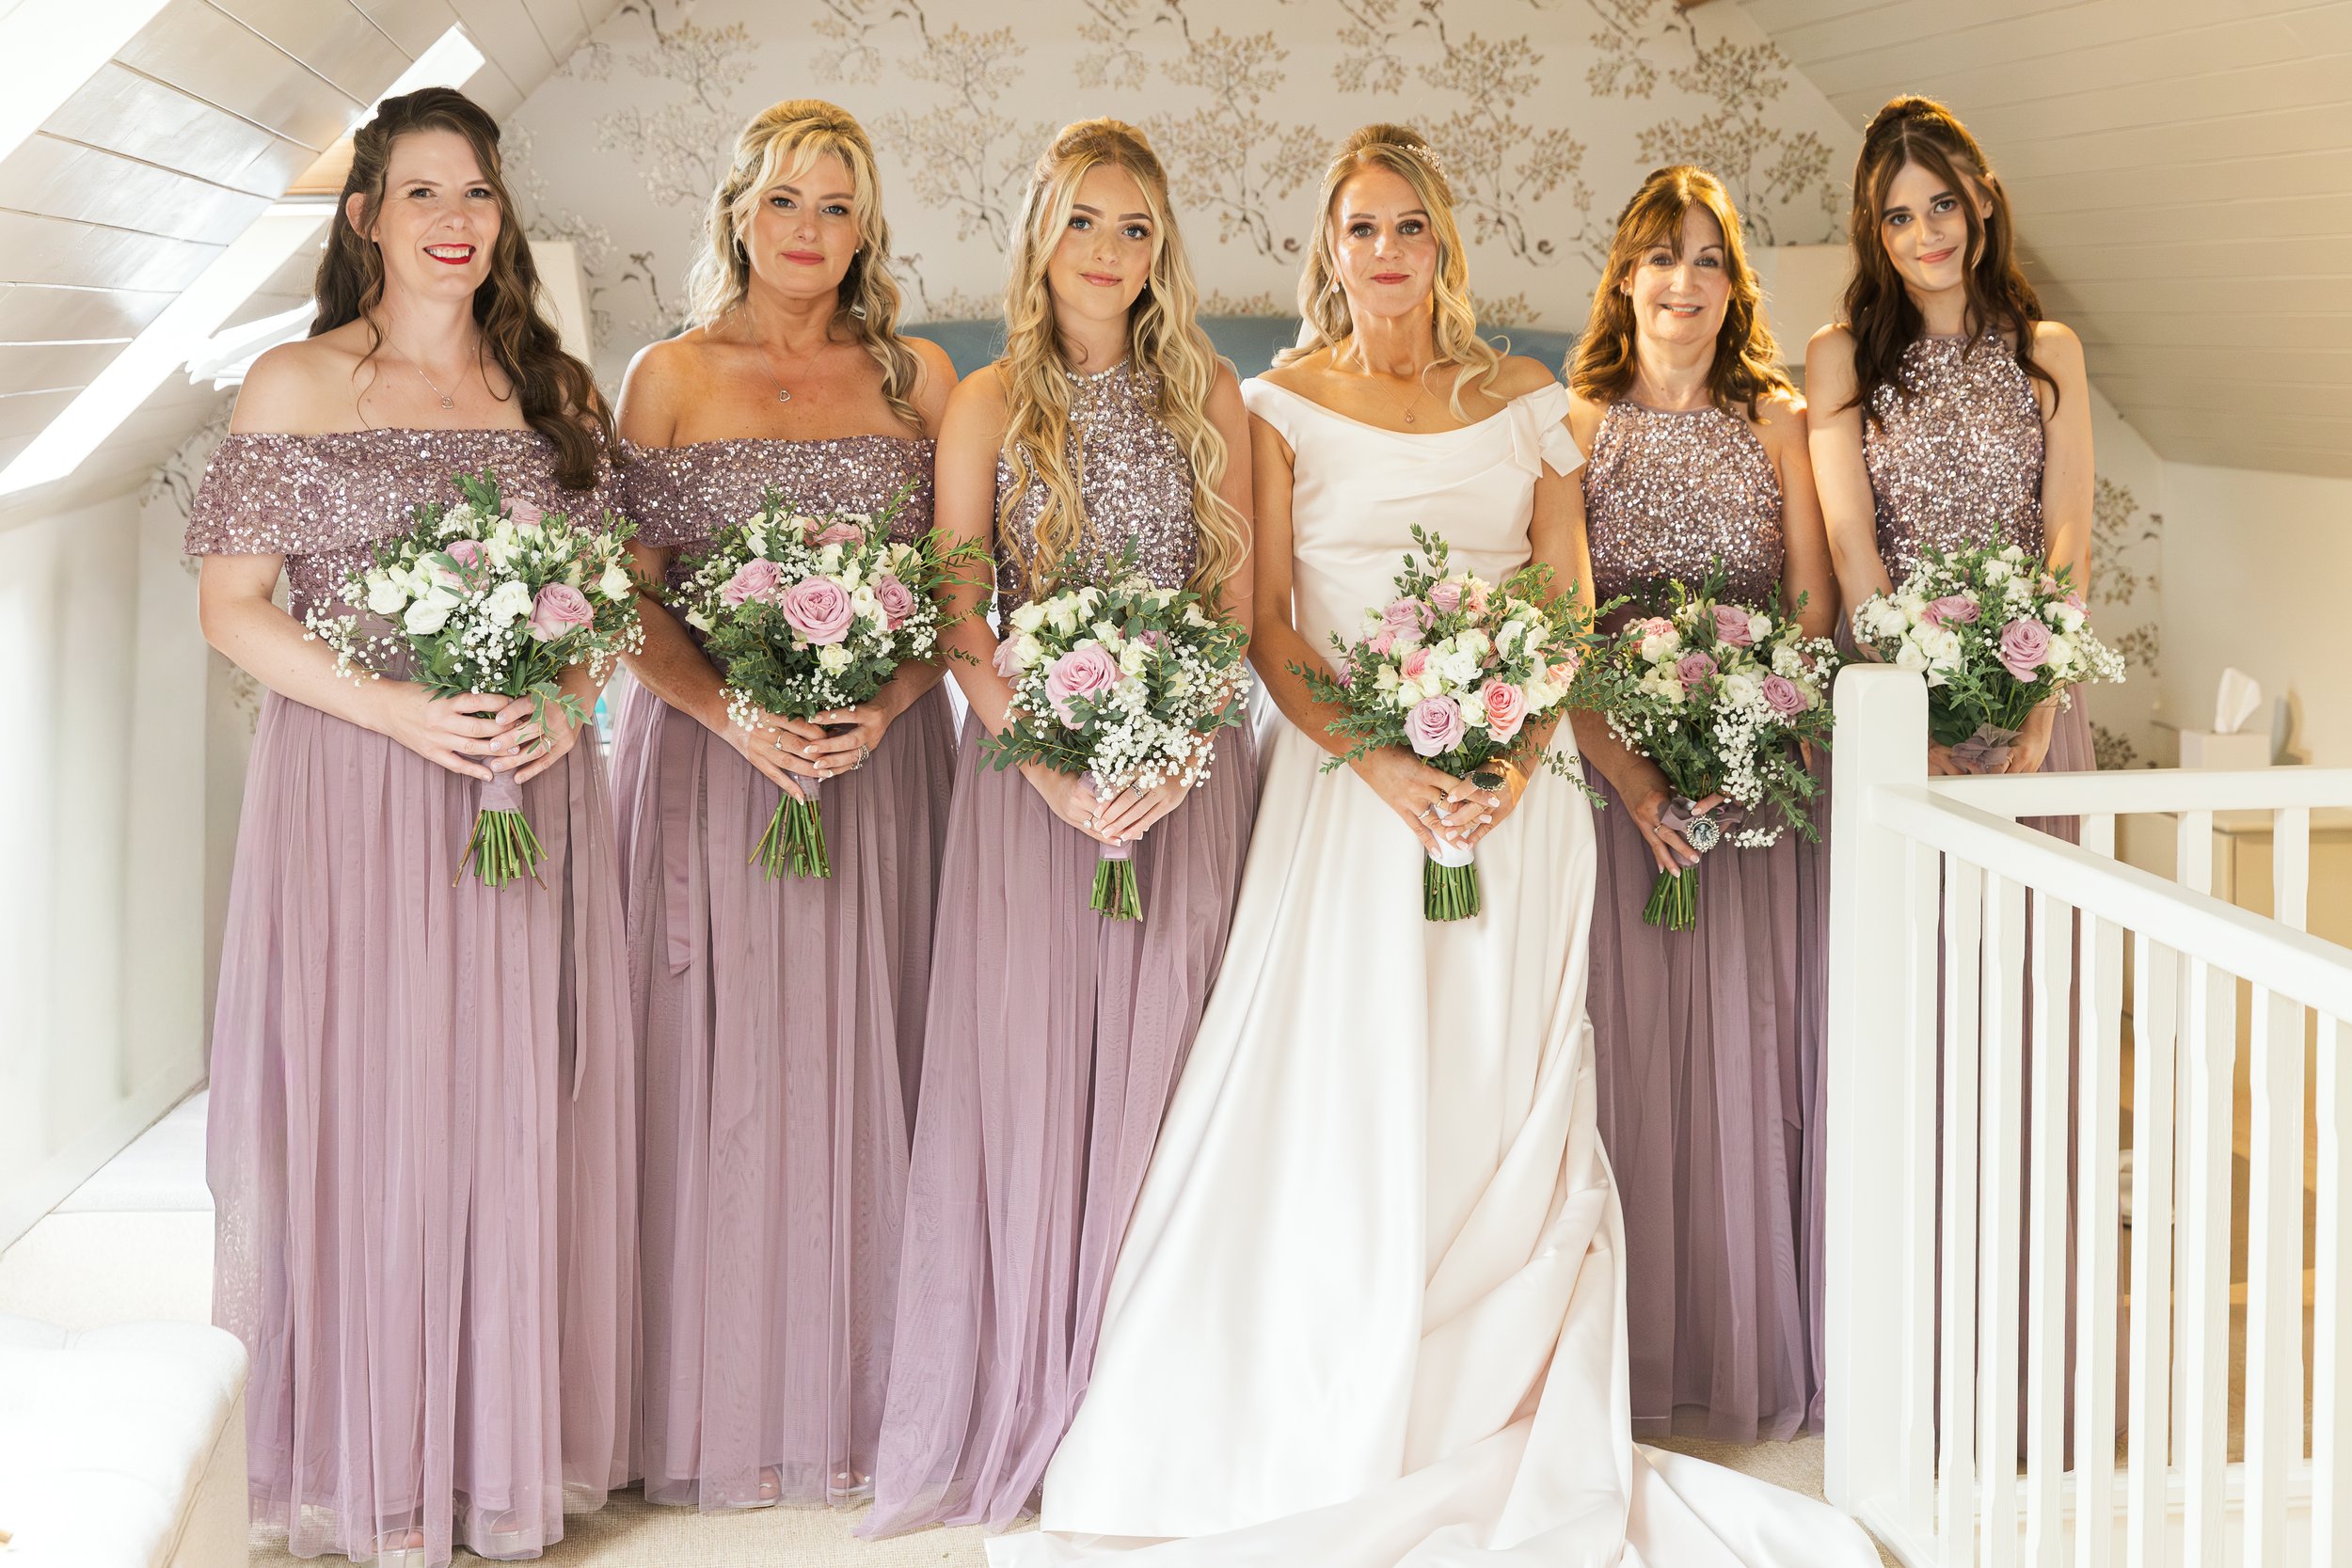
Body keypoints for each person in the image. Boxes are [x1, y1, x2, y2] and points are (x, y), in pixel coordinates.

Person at [993, 124, 1879, 1568]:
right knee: (1347, 1093)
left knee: (1498, 1096)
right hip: (1348, 806)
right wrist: (1395, 768)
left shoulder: (1529, 401)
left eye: (1409, 227)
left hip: (1519, 817)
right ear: (1328, 252)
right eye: (1361, 231)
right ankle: (1336, 1385)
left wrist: (1520, 757)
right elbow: (1269, 627)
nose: (1387, 253)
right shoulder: (1275, 404)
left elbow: (1565, 601)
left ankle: (1503, 1399)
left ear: (1444, 245)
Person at [187, 87, 632, 1566]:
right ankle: (368, 1462)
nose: (455, 223)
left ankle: (494, 1450)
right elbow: (233, 611)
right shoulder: (294, 383)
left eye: (480, 195)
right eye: (423, 194)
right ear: (366, 215)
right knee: (371, 1111)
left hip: (524, 788)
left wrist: (568, 705)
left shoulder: (553, 397)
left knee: (514, 1108)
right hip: (356, 797)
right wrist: (397, 712)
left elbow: (598, 617)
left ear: (504, 221)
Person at [863, 118, 1257, 1536]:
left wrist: (1169, 751)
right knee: (1030, 1089)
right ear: (1042, 231)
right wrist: (1050, 770)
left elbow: (1231, 607)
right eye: (1084, 220)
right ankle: (1037, 1386)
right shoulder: (982, 399)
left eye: (1135, 227)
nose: (1107, 251)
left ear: (1163, 252)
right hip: (1028, 790)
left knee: (1175, 1087)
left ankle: (1164, 1410)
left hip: (1191, 781)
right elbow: (962, 609)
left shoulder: (1211, 390)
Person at [605, 98, 956, 1512]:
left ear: (866, 230)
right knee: (725, 1074)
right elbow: (623, 594)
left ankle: (880, 1394)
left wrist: (888, 698)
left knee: (880, 1059)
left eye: (839, 207)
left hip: (879, 768)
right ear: (738, 210)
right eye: (787, 201)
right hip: (711, 763)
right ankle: (718, 1395)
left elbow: (962, 583)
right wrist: (731, 711)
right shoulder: (670, 375)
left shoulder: (918, 376)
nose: (810, 231)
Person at [1566, 165, 1837, 1443]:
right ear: (1624, 276)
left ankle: (1741, 1337)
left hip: (1756, 777)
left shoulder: (1774, 420)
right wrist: (1637, 770)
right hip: (1615, 782)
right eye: (1660, 257)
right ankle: (1629, 1348)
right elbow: (1555, 628)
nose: (1683, 282)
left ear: (1737, 288)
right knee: (1621, 1052)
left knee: (1749, 1045)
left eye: (1708, 261)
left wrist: (1752, 726)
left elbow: (1814, 604)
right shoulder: (1573, 424)